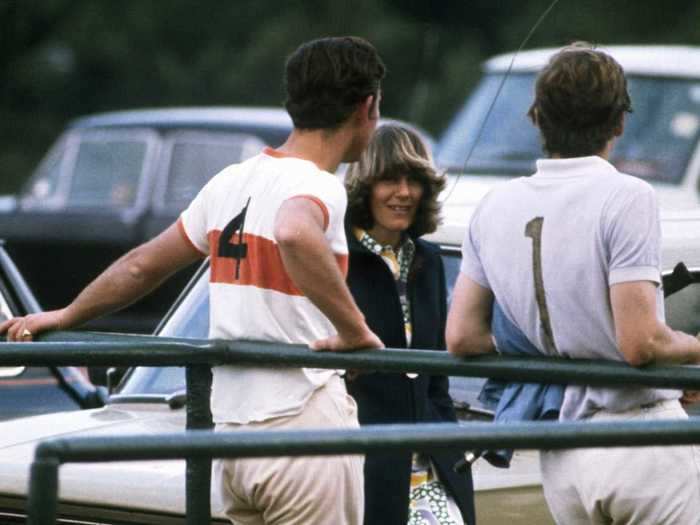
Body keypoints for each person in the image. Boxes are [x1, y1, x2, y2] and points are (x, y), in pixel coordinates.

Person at [1, 36, 386, 525]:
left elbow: (141, 265)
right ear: (367, 106)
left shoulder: (230, 180)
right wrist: (356, 330)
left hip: (229, 433)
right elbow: (293, 230)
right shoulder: (320, 184)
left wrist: (66, 314)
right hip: (302, 423)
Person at [445, 42, 700, 525]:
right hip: (640, 435)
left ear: (536, 118)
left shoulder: (494, 204)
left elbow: (461, 336)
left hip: (562, 446)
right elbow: (641, 341)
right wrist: (693, 347)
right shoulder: (628, 196)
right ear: (619, 122)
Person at [344, 124, 475, 525]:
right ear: (365, 185)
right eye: (389, 179)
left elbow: (437, 378)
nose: (403, 192)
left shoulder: (429, 260)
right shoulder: (336, 258)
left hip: (435, 461)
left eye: (414, 180)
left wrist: (450, 447)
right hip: (362, 464)